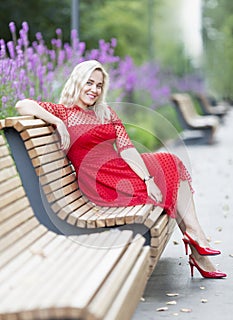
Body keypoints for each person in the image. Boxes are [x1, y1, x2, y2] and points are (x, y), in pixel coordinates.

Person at [15, 59, 226, 279]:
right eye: (89, 83)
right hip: (102, 183)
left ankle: (196, 238)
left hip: (121, 169)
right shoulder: (63, 113)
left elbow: (127, 150)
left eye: (98, 85)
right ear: (77, 82)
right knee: (171, 177)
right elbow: (23, 104)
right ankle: (199, 248)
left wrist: (147, 179)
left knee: (171, 163)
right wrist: (57, 123)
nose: (94, 90)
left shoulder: (105, 113)